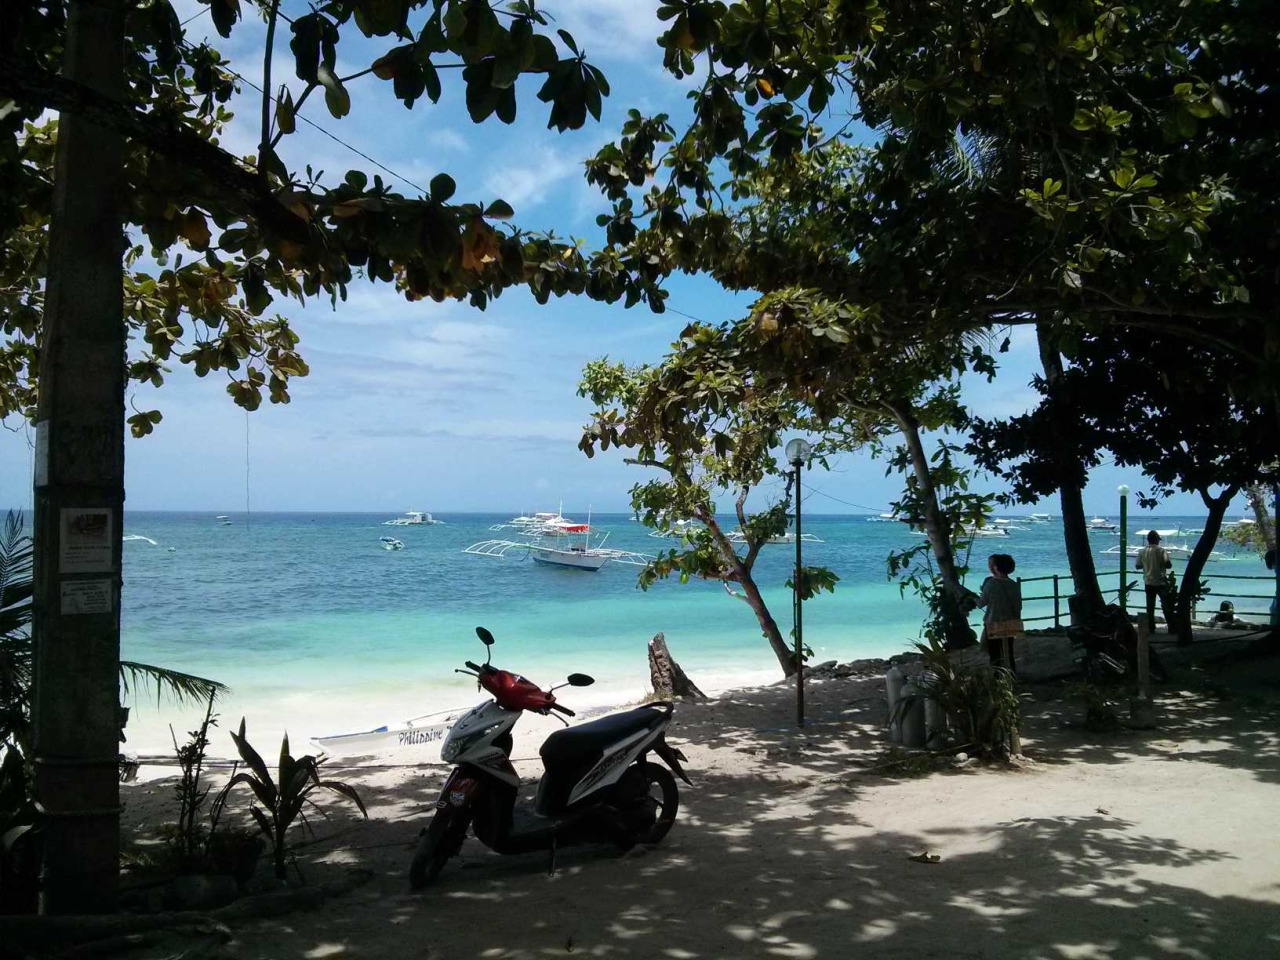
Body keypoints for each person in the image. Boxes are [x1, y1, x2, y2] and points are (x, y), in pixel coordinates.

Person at [975, 553, 1022, 671]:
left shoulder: (990, 584)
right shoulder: (1014, 585)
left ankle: (998, 677)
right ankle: (1011, 674)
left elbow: (981, 603)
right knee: (1009, 652)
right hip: (1011, 621)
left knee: (994, 654)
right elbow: (1018, 606)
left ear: (996, 567)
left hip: (994, 622)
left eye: (991, 564)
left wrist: (973, 598)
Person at [1135, 531, 1176, 633]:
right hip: (1161, 582)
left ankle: (1151, 627)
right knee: (1166, 605)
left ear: (1148, 540)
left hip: (1148, 582)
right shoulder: (1162, 551)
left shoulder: (1142, 551)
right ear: (1157, 540)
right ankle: (1171, 627)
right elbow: (1169, 565)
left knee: (1150, 606)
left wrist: (1147, 565)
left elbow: (1138, 566)